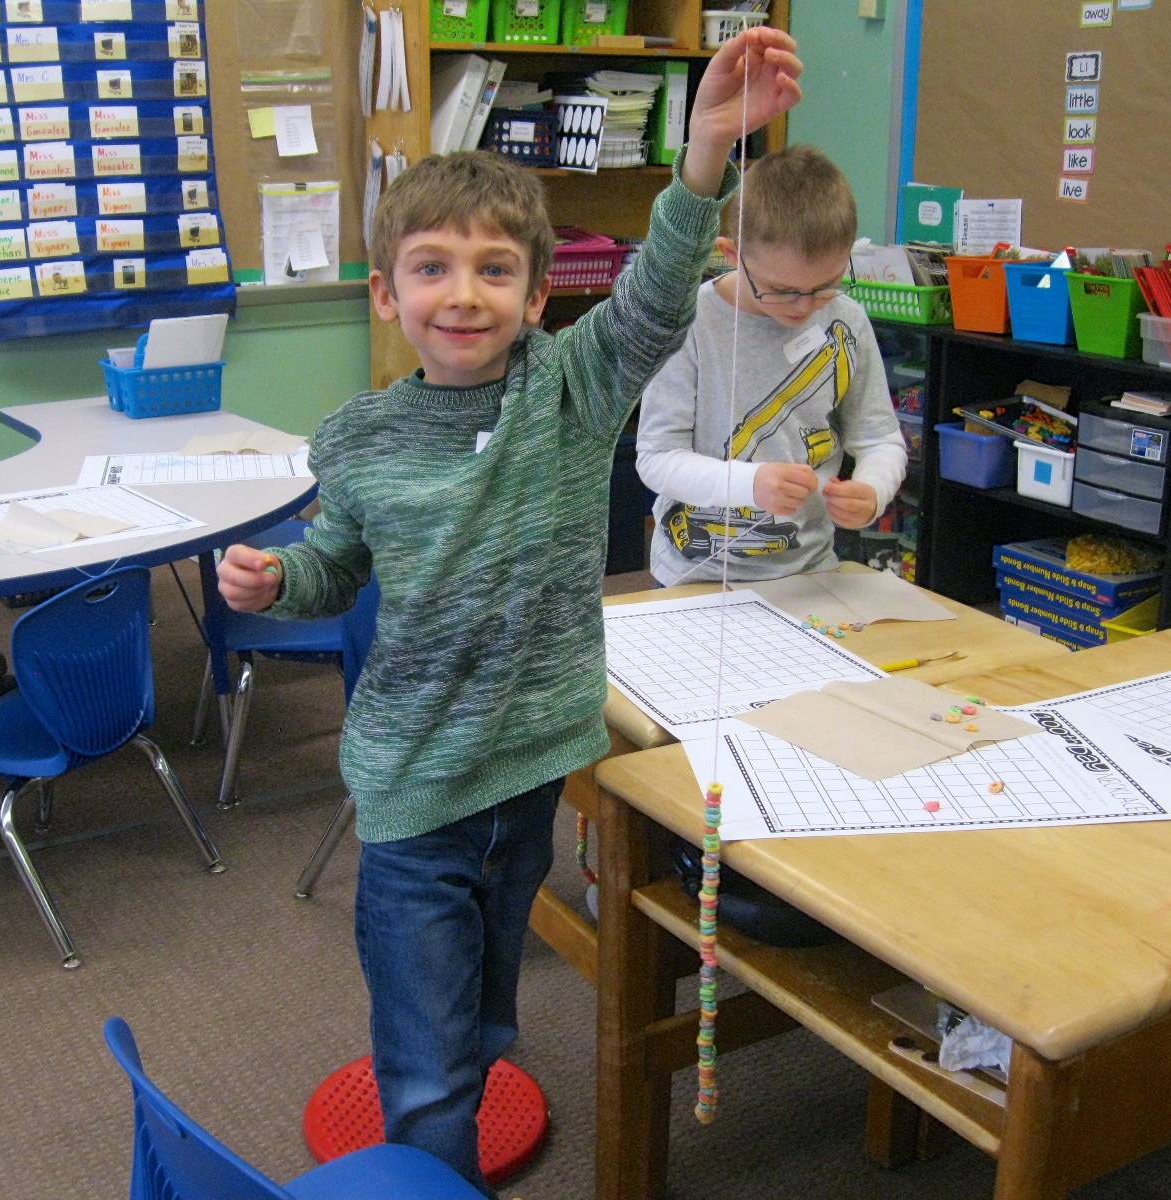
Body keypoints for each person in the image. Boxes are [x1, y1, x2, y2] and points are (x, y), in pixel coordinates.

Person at [216, 29, 802, 1196]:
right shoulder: (361, 440)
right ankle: (432, 1163)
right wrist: (283, 580)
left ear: (538, 294)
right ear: (388, 296)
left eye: (494, 270)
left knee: (487, 997)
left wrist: (701, 156)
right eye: (431, 268)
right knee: (428, 1059)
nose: (463, 294)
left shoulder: (570, 390)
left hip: (531, 766)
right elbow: (337, 562)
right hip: (415, 788)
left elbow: (649, 304)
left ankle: (462, 1082)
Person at [637, 144, 907, 586]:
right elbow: (656, 458)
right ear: (729, 252)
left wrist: (873, 490)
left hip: (808, 573)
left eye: (826, 285)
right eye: (782, 289)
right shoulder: (690, 322)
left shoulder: (847, 320)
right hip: (693, 575)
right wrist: (753, 483)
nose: (804, 307)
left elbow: (881, 440)